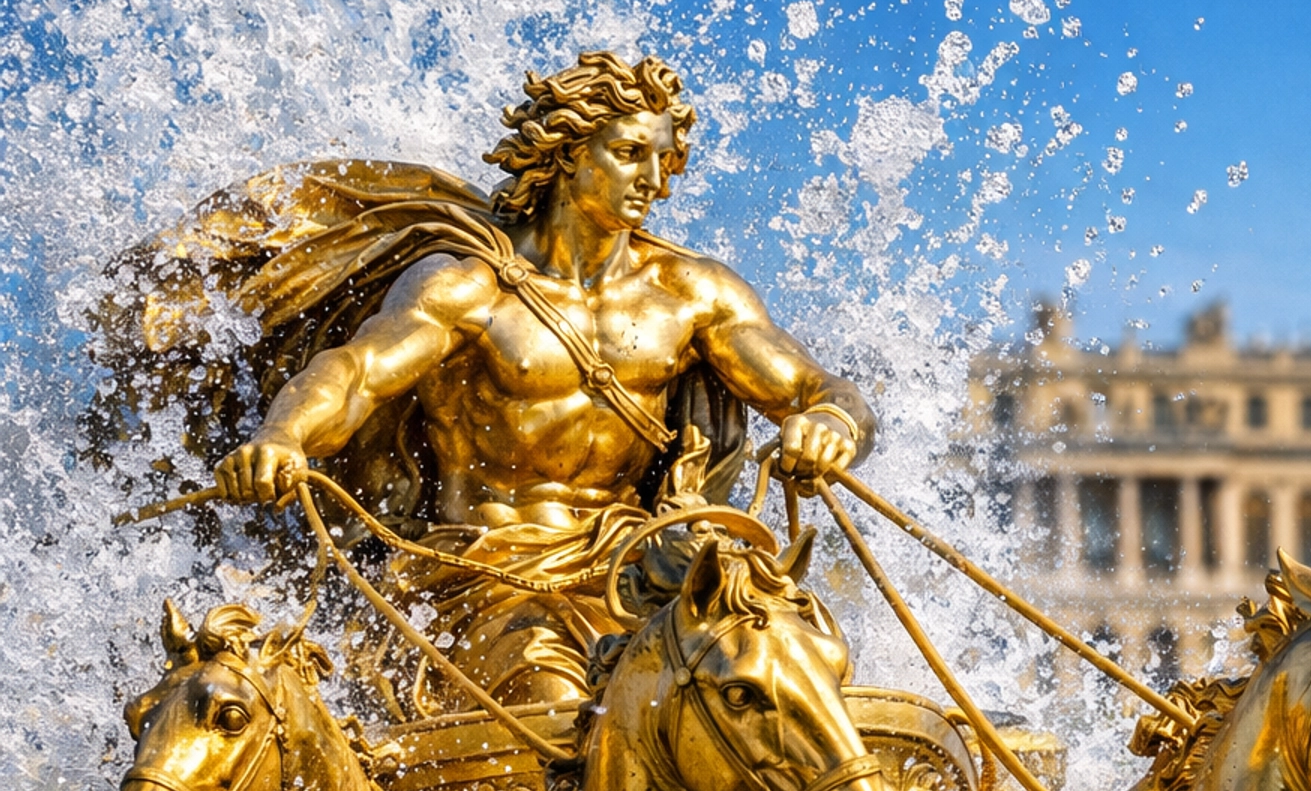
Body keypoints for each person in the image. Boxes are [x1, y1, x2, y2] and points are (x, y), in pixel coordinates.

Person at [215, 49, 873, 723]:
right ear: (566, 152)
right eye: (628, 153)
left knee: (799, 678)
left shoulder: (692, 296)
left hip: (642, 572)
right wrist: (282, 434)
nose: (655, 181)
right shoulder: (471, 287)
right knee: (567, 709)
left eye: (664, 159)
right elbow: (355, 375)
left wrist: (831, 424)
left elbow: (819, 389)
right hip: (487, 575)